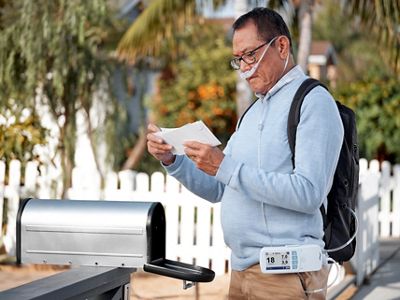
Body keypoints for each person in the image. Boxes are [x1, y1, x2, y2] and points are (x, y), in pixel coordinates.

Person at [147, 7, 343, 300]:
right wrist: (173, 160)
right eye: (238, 59)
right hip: (241, 272)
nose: (245, 67)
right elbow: (220, 189)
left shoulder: (313, 101)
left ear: (281, 46)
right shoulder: (252, 112)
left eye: (250, 55)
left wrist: (226, 166)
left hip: (285, 275)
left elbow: (309, 192)